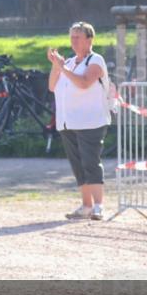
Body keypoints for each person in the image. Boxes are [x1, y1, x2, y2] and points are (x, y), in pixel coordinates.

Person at [48, 21, 112, 221]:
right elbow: (52, 86)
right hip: (68, 122)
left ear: (89, 39)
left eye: (78, 37)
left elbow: (84, 83)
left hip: (91, 121)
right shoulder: (68, 63)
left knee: (90, 162)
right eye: (72, 37)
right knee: (77, 163)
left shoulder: (96, 60)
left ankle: (99, 205)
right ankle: (86, 205)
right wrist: (56, 66)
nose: (73, 41)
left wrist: (63, 69)